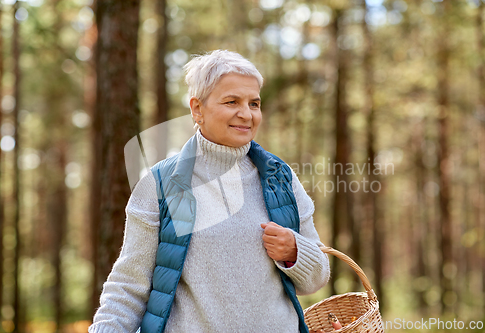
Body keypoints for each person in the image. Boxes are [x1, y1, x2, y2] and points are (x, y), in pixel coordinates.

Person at [89, 50, 330, 333]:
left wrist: (295, 251)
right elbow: (128, 287)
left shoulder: (280, 178)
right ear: (197, 109)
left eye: (254, 103)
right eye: (232, 102)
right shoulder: (160, 183)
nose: (246, 113)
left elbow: (317, 277)